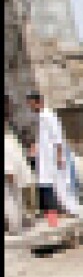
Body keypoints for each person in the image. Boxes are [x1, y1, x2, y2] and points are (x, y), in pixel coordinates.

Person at [24, 92, 83, 218]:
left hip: (55, 157)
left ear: (39, 102)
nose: (31, 107)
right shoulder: (40, 117)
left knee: (63, 185)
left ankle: (74, 210)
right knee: (54, 185)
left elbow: (58, 137)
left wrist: (59, 155)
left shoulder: (49, 116)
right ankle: (65, 210)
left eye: (32, 104)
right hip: (47, 158)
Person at [5, 95, 36, 234]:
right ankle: (15, 225)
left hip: (13, 167)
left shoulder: (11, 126)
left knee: (15, 196)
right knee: (11, 197)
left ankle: (18, 223)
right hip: (9, 168)